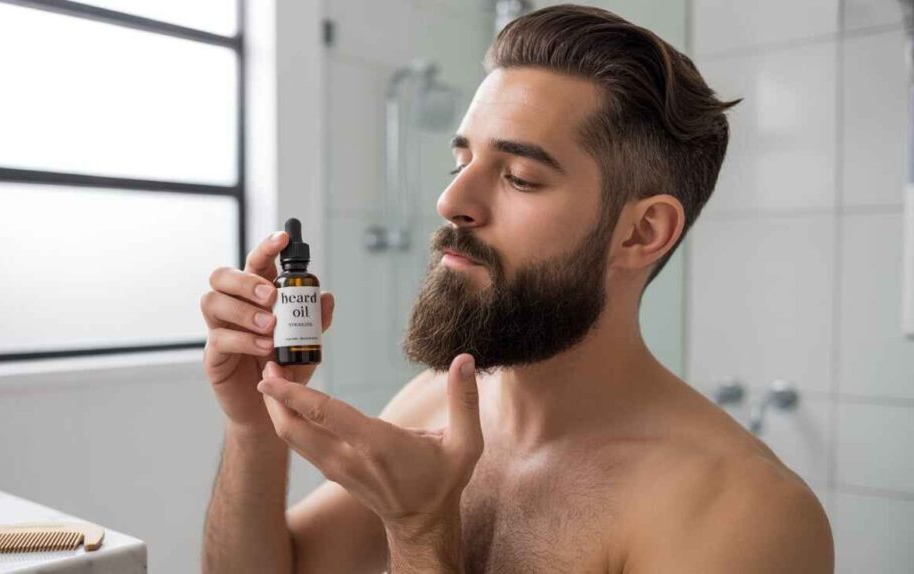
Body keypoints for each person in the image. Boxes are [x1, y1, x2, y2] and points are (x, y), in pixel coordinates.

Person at [199, 5, 833, 573]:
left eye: (521, 177)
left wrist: (421, 535)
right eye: (461, 161)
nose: (451, 200)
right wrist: (253, 427)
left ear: (641, 232)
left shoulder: (743, 512)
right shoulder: (432, 406)